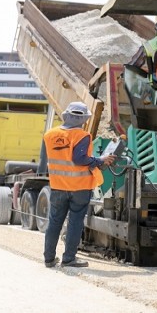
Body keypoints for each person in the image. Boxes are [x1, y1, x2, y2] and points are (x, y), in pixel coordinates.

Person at [42, 102, 116, 268]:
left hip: (58, 186)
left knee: (54, 222)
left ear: (66, 115)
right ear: (84, 119)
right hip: (79, 188)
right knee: (75, 223)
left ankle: (49, 258)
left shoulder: (49, 135)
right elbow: (79, 159)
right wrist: (99, 160)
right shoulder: (82, 135)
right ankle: (68, 259)